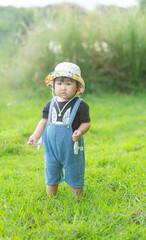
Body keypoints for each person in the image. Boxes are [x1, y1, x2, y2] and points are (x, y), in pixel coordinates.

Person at [27, 62, 91, 198]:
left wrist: (80, 131)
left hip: (71, 147)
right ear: (53, 85)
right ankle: (51, 198)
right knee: (51, 171)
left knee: (75, 171)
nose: (63, 88)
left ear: (77, 87)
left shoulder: (81, 105)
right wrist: (35, 136)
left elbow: (86, 123)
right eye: (59, 83)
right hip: (51, 148)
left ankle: (78, 198)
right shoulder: (51, 104)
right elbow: (43, 121)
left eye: (68, 84)